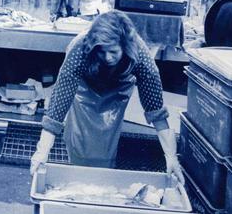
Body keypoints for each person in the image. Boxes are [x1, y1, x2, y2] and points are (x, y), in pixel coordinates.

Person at [30, 11, 184, 184]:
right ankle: (77, 177)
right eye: (102, 52)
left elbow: (156, 110)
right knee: (80, 138)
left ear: (125, 47)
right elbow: (58, 106)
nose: (107, 57)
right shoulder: (80, 49)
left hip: (119, 84)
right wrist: (42, 152)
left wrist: (171, 157)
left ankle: (101, 181)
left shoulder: (141, 58)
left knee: (104, 142)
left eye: (113, 52)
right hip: (86, 85)